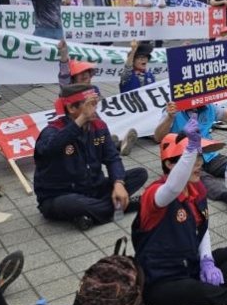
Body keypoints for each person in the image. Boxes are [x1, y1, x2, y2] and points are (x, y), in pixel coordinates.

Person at [132, 124, 227, 305]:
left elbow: (202, 230)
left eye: (199, 157)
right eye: (192, 158)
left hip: (191, 266)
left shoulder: (197, 190)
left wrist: (207, 261)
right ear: (170, 164)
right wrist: (189, 150)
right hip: (160, 281)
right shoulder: (156, 194)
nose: (199, 164)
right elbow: (172, 187)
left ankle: (196, 300)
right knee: (193, 290)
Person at [33, 84, 148, 230]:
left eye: (96, 104)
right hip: (61, 195)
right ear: (71, 108)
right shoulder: (52, 130)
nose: (95, 109)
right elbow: (49, 149)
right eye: (89, 105)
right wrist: (81, 120)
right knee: (75, 203)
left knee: (139, 174)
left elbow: (112, 158)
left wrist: (118, 183)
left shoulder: (99, 127)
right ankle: (123, 206)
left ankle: (88, 215)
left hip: (93, 188)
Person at [153, 98, 227, 210]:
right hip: (185, 158)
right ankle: (226, 196)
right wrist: (170, 118)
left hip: (208, 153)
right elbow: (158, 137)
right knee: (202, 178)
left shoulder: (209, 107)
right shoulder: (173, 109)